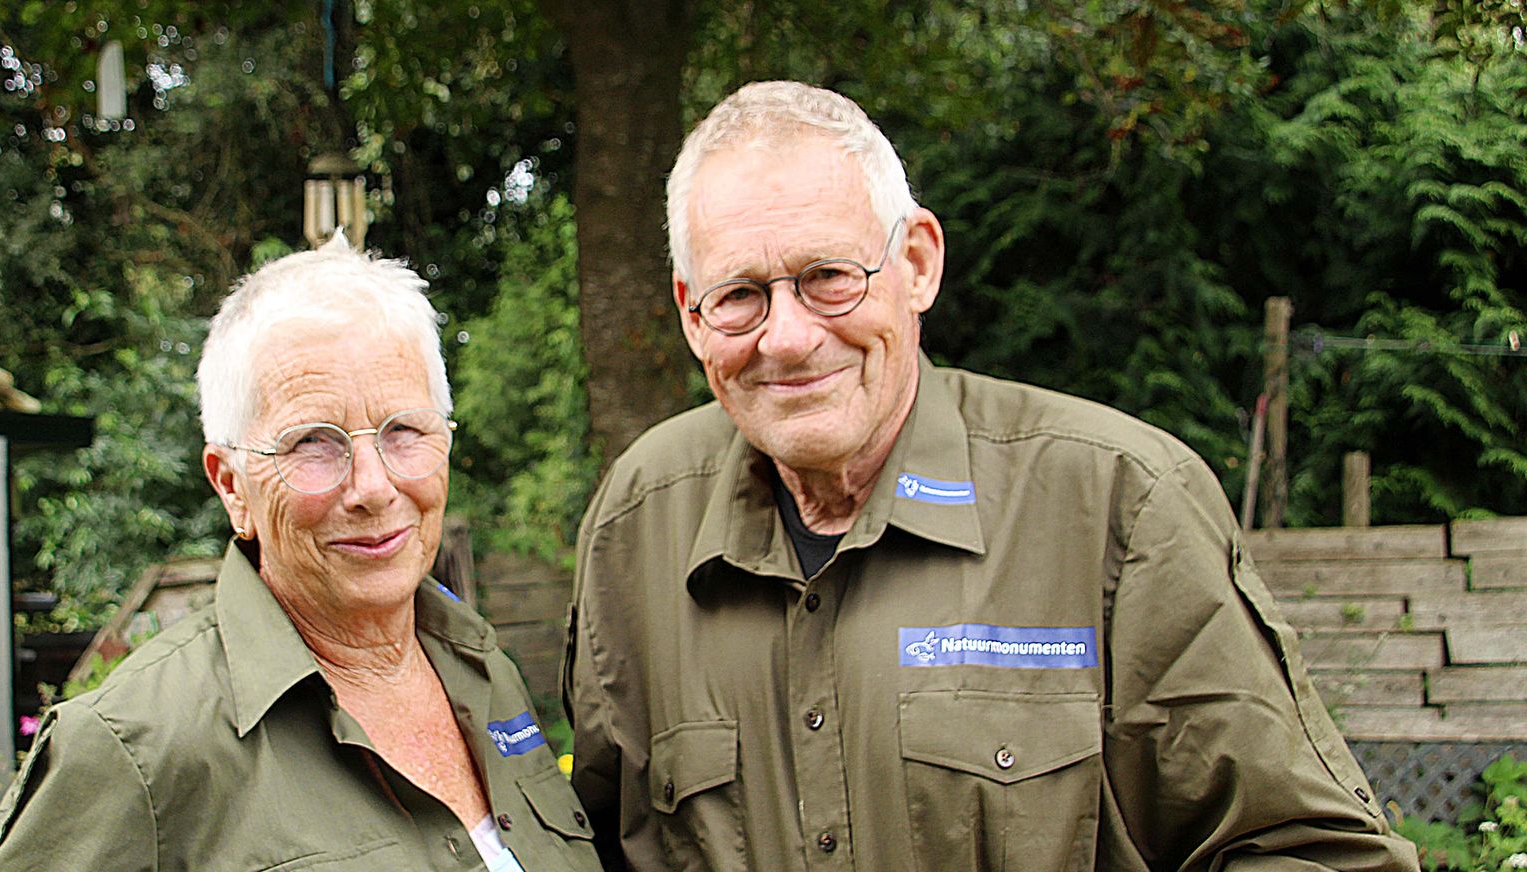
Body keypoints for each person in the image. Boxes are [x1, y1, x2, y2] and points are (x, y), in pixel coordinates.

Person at [563, 81, 1419, 871]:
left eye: (828, 278)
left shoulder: (1118, 504)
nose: (786, 338)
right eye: (740, 295)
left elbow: (1311, 854)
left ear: (918, 263)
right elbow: (589, 846)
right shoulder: (640, 522)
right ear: (691, 313)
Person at [0, 239, 600, 871]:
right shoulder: (138, 746)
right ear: (232, 485)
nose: (374, 487)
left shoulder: (483, 670)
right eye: (313, 442)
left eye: (404, 429)